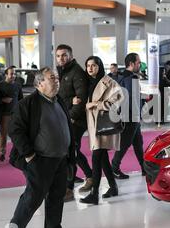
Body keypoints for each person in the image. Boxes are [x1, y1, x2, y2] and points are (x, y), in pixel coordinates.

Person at [8, 67, 76, 228]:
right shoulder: (28, 104)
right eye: (51, 78)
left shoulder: (58, 100)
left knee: (57, 196)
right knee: (32, 198)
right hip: (40, 160)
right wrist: (29, 155)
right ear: (39, 84)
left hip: (60, 158)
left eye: (56, 77)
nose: (56, 80)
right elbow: (15, 130)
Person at [78, 56, 124, 205]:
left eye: (94, 65)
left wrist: (95, 104)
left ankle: (94, 194)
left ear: (100, 66)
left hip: (103, 125)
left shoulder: (109, 82)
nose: (90, 68)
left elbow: (118, 99)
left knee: (96, 159)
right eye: (88, 65)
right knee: (102, 158)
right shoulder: (86, 83)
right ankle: (113, 187)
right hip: (94, 126)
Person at [55, 44, 92, 201]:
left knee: (70, 151)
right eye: (58, 56)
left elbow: (82, 99)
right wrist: (70, 101)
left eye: (64, 55)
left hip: (76, 119)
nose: (61, 58)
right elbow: (66, 97)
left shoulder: (76, 72)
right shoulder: (63, 72)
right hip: (68, 117)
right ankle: (90, 177)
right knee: (73, 150)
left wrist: (70, 117)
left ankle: (68, 189)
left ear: (70, 55)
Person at [111, 53, 145, 179]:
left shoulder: (120, 77)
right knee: (125, 142)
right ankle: (114, 168)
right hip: (131, 115)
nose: (140, 65)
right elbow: (132, 98)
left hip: (125, 114)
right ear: (131, 64)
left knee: (138, 142)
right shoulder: (131, 78)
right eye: (138, 62)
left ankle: (144, 167)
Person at [0, 66, 23, 161]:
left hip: (16, 114)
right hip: (4, 114)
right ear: (6, 75)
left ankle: (17, 153)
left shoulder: (18, 85)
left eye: (14, 74)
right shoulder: (0, 85)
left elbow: (20, 99)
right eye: (11, 74)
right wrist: (2, 100)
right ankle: (2, 152)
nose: (13, 75)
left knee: (17, 134)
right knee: (4, 134)